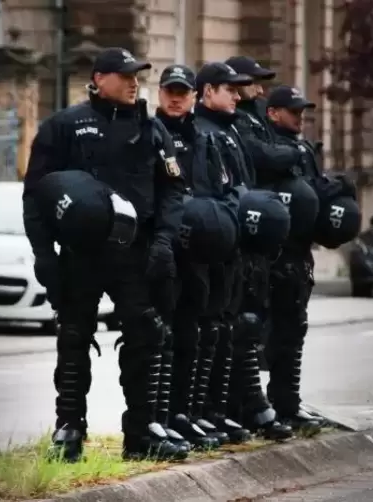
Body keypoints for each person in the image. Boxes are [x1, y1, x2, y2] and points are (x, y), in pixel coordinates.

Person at [23, 47, 189, 462]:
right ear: (98, 78)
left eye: (137, 75)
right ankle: (69, 428)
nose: (134, 82)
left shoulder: (152, 131)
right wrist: (44, 256)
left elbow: (172, 193)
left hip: (136, 254)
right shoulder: (64, 127)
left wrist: (165, 242)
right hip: (82, 254)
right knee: (75, 335)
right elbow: (37, 197)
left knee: (146, 335)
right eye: (125, 75)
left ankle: (141, 431)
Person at [192, 61, 290, 442]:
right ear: (208, 92)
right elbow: (213, 192)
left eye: (238, 89)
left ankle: (239, 407)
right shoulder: (203, 133)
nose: (237, 95)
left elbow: (243, 184)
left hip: (239, 245)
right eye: (228, 89)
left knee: (240, 326)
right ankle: (211, 411)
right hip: (216, 242)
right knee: (210, 330)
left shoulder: (229, 129)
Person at [154, 64, 238, 449]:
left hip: (200, 251)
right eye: (170, 91)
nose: (175, 98)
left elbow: (224, 188)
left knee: (195, 332)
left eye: (182, 92)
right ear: (159, 93)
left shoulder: (204, 138)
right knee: (161, 335)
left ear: (193, 96)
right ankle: (157, 419)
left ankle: (185, 414)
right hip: (165, 249)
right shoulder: (149, 133)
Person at [263, 85, 328, 432]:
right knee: (250, 334)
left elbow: (313, 192)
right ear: (273, 112)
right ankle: (254, 408)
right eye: (293, 110)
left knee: (292, 333)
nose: (300, 115)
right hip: (268, 255)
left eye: (302, 109)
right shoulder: (264, 146)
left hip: (299, 255)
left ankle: (288, 403)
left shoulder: (303, 149)